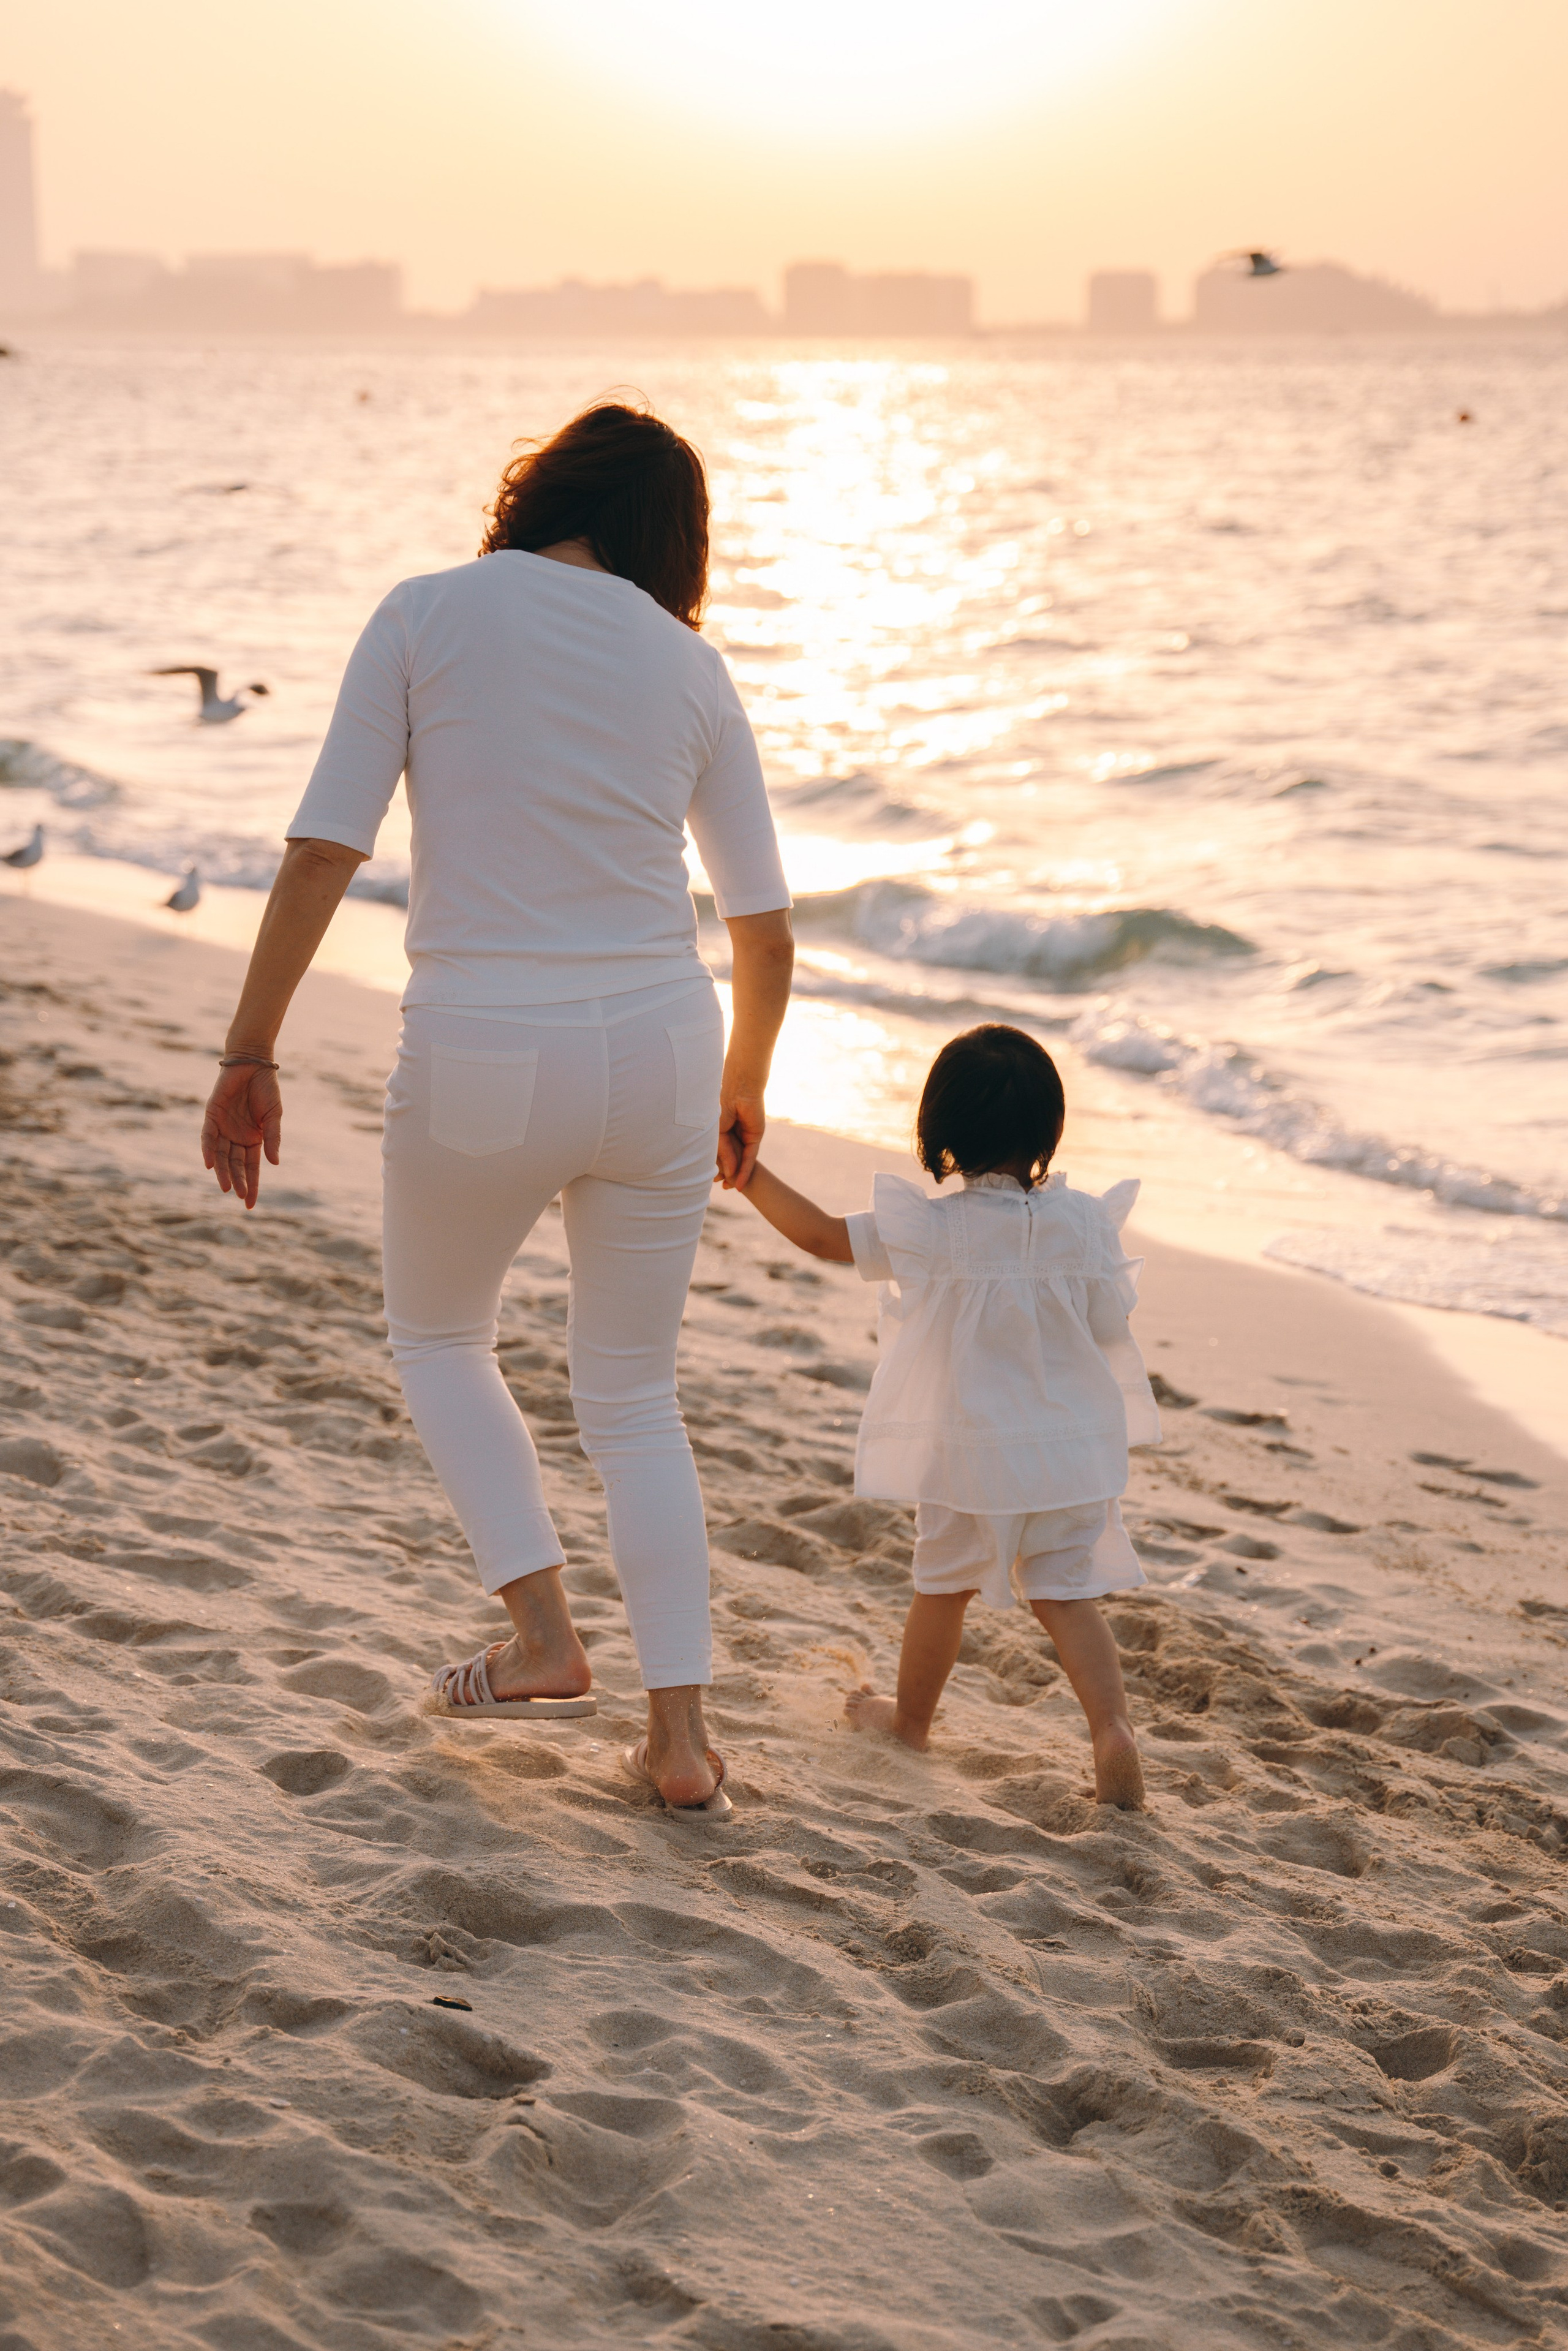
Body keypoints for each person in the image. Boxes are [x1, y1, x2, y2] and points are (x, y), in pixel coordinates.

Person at [200, 401, 794, 1817]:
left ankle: (539, 1638)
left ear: (545, 493)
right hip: (660, 1045)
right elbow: (766, 934)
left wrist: (249, 1050)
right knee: (635, 1395)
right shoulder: (691, 666)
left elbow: (321, 851)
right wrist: (743, 1090)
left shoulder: (424, 614)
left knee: (440, 1333)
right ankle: (679, 1743)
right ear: (671, 538)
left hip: (483, 1045)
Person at [727, 1024, 1158, 1808]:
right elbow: (1105, 1324)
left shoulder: (936, 1228)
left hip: (969, 1455)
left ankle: (911, 1724)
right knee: (1065, 1592)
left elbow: (825, 1236)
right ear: (1046, 1133)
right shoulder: (1084, 1225)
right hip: (1065, 1449)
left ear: (940, 1132)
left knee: (943, 1587)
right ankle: (1112, 1731)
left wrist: (750, 1176)